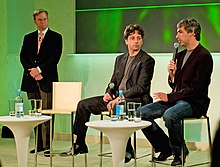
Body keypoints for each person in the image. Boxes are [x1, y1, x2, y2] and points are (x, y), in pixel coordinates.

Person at [65, 24, 155, 163]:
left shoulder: (147, 60)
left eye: (139, 38)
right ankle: (80, 143)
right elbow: (113, 81)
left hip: (136, 99)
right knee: (83, 105)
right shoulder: (120, 59)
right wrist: (108, 92)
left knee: (117, 107)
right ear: (126, 41)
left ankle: (127, 149)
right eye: (132, 38)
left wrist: (120, 97)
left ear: (142, 41)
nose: (136, 41)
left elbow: (141, 87)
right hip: (116, 97)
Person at [139, 18, 213, 166]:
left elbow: (196, 89)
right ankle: (165, 147)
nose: (176, 36)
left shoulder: (204, 56)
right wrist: (172, 75)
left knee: (170, 115)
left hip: (195, 102)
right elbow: (175, 85)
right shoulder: (179, 54)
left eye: (180, 32)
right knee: (141, 113)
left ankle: (179, 151)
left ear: (192, 33)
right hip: (177, 99)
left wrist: (169, 96)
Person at [20, 9, 62, 155]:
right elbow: (23, 57)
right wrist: (32, 71)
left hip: (46, 80)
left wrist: (39, 70)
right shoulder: (28, 38)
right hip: (31, 80)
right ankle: (38, 144)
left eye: (45, 19)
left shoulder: (56, 37)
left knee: (47, 113)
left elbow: (54, 59)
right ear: (35, 21)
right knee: (35, 113)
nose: (43, 22)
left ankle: (47, 145)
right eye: (40, 19)